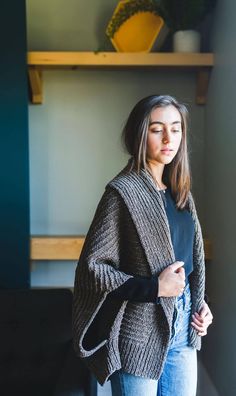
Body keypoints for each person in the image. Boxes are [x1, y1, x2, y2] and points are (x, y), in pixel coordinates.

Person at [72, 95, 213, 396]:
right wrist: (154, 288)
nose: (168, 139)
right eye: (156, 128)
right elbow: (92, 269)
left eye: (176, 129)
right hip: (139, 328)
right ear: (140, 134)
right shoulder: (121, 193)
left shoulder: (181, 194)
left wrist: (200, 305)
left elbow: (190, 264)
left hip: (184, 326)